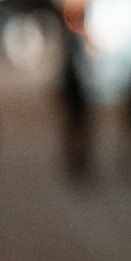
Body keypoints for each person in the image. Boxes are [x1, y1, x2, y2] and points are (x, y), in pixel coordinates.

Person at [58, 31, 93, 179]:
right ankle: (78, 162)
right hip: (77, 105)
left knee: (77, 134)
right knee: (77, 134)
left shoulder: (71, 66)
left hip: (78, 106)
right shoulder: (74, 67)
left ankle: (79, 161)